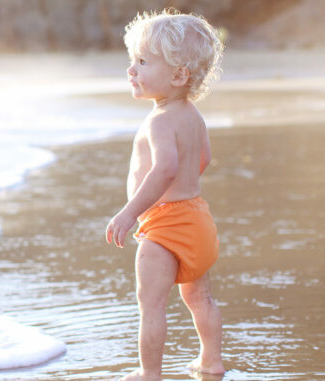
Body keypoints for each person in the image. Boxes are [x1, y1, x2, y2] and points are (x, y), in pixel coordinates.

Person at [104, 8, 226, 381]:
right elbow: (203, 158)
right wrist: (184, 191)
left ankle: (149, 373)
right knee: (199, 298)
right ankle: (211, 360)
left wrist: (129, 213)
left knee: (151, 306)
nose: (132, 70)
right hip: (197, 219)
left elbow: (165, 169)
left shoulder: (159, 121)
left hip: (163, 227)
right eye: (132, 61)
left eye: (142, 62)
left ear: (178, 74)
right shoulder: (193, 115)